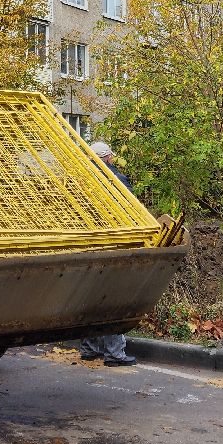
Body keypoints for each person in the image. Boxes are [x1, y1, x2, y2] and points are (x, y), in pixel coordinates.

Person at [79, 140, 139, 367]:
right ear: (109, 158)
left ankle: (88, 349)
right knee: (114, 299)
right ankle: (115, 354)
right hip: (115, 245)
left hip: (89, 246)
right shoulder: (117, 180)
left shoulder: (82, 181)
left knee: (91, 298)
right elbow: (134, 212)